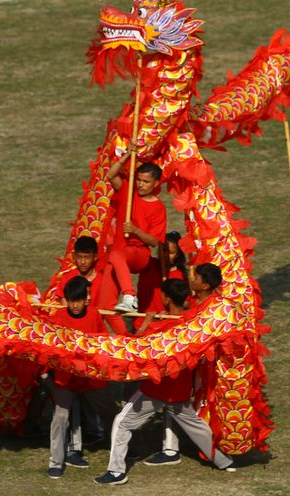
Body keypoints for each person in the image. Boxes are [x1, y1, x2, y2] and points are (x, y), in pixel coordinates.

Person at [93, 279, 236, 485]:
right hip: (179, 391)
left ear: (166, 298)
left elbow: (137, 349)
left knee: (121, 423)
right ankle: (224, 462)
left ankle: (116, 472)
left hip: (155, 391)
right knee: (197, 428)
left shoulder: (159, 328)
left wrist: (146, 323)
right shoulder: (193, 324)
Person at [47, 276, 116, 478]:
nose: (74, 305)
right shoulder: (57, 318)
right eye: (70, 300)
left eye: (77, 300)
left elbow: (103, 342)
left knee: (111, 412)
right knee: (60, 418)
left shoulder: (94, 314)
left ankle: (122, 448)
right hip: (65, 379)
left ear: (86, 298)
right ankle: (55, 462)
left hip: (92, 377)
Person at [104, 153, 168, 313]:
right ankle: (125, 336)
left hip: (139, 255)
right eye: (139, 180)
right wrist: (126, 156)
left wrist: (135, 230)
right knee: (105, 307)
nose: (140, 184)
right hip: (118, 255)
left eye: (145, 182)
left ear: (156, 183)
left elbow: (154, 241)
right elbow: (111, 175)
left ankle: (129, 296)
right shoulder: (128, 191)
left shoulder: (159, 207)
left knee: (116, 254)